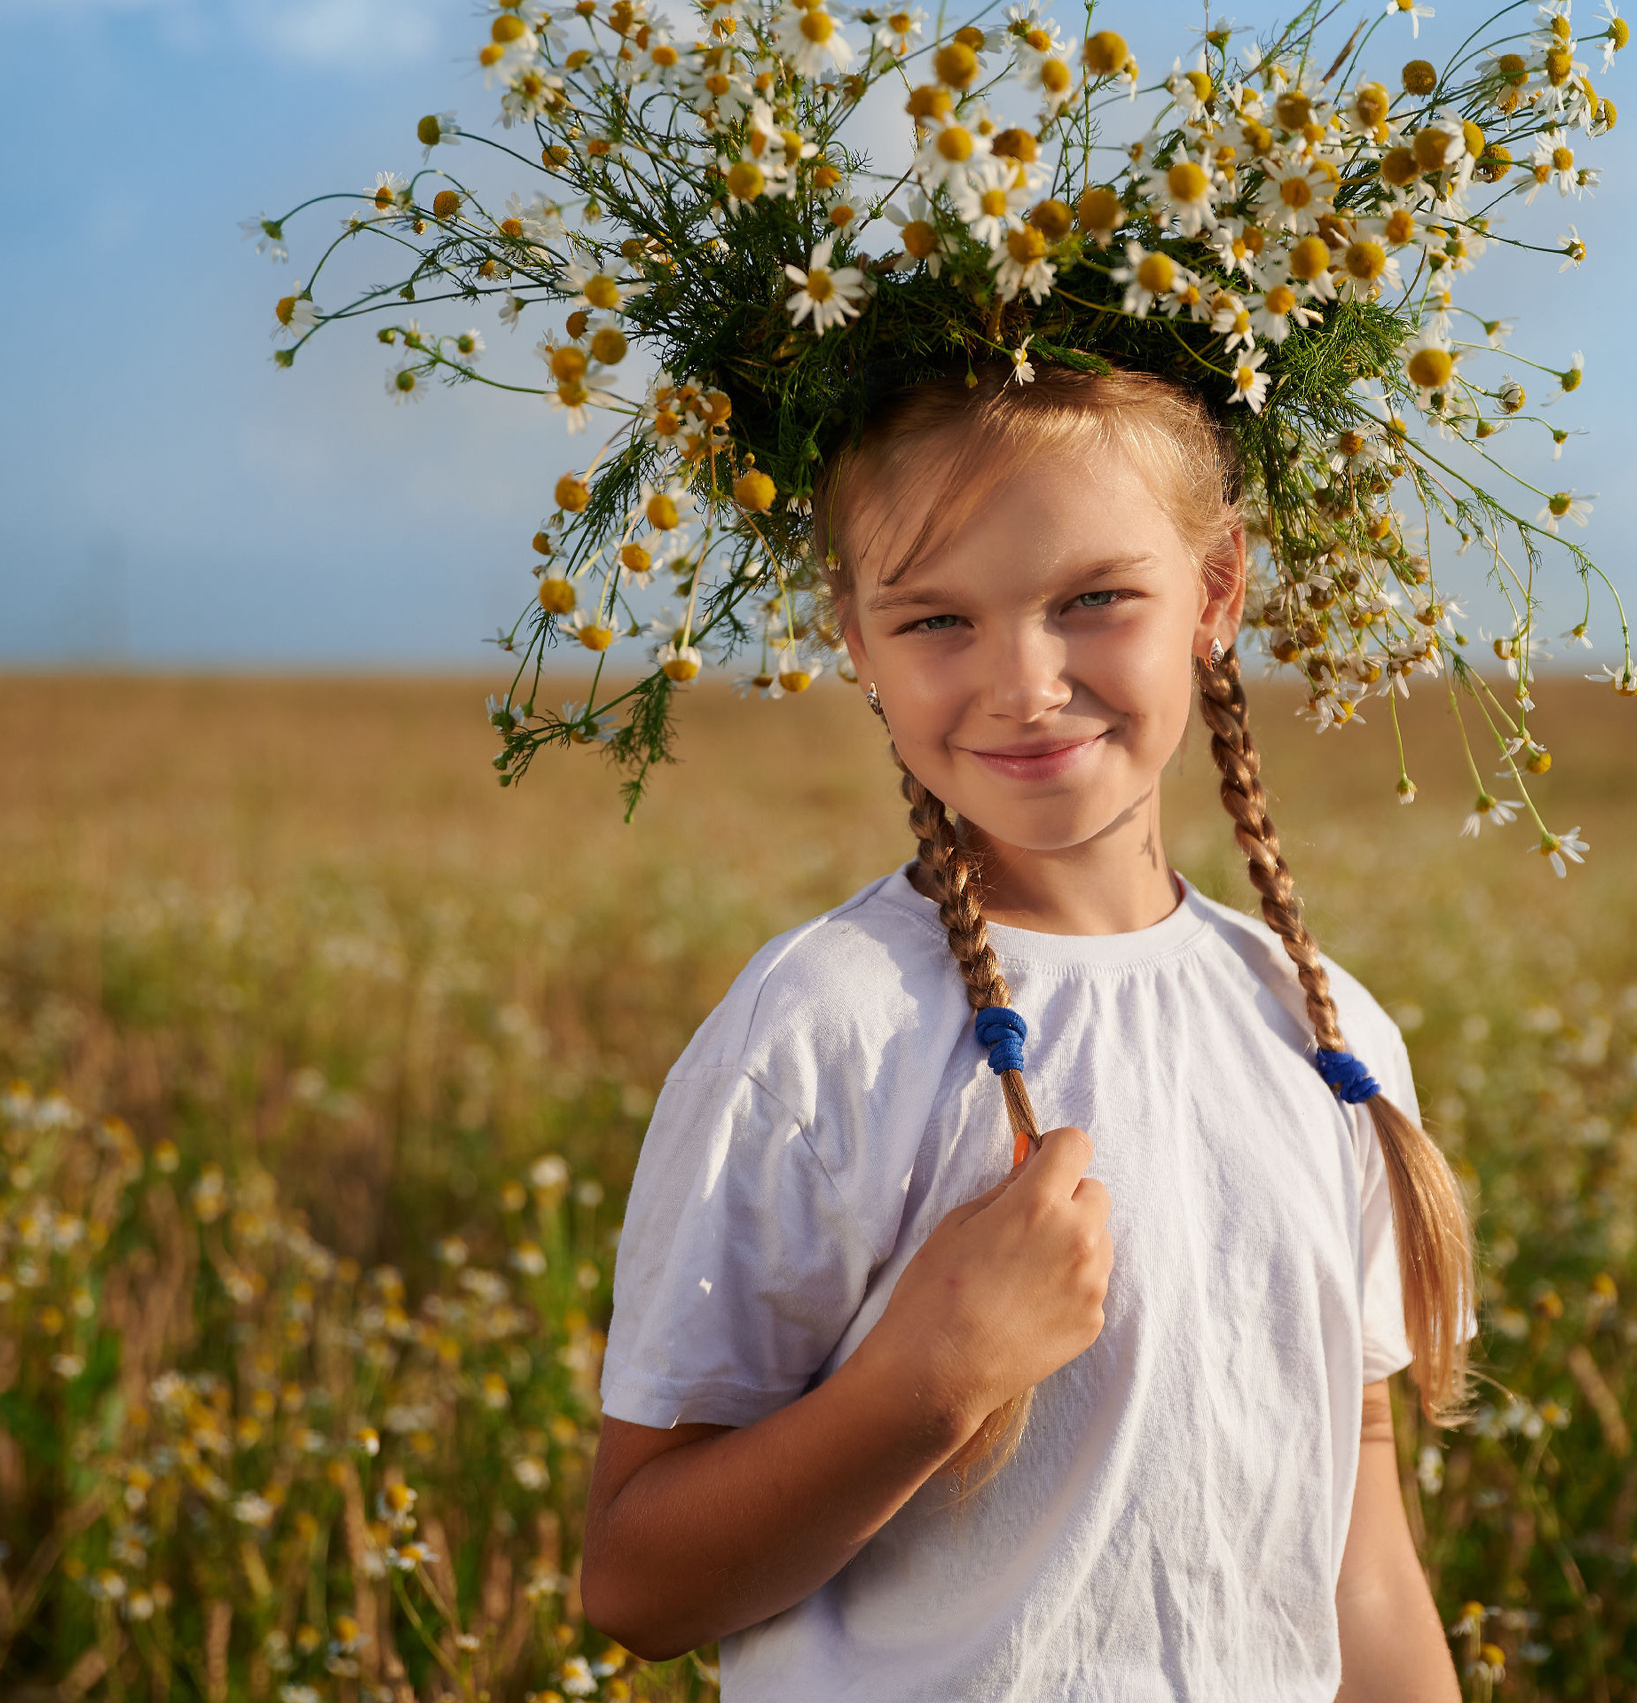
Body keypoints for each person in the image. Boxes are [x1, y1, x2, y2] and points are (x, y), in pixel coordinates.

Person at [578, 369, 1477, 1700]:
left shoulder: (1325, 1031)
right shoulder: (821, 1032)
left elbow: (1364, 1568)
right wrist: (926, 1385)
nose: (1024, 683)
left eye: (1095, 599)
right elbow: (639, 1585)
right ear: (856, 642)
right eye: (937, 618)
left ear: (1217, 590)